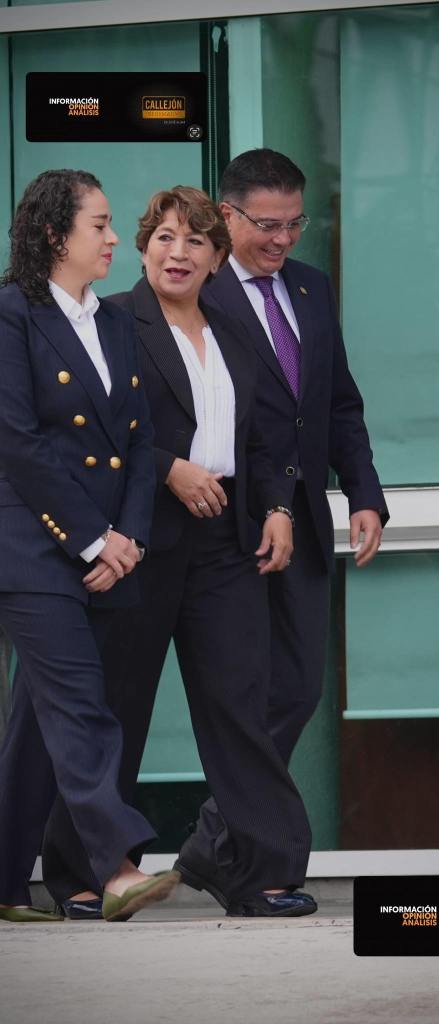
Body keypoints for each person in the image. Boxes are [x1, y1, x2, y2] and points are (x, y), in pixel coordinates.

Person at [41, 185, 316, 919]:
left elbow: (267, 437)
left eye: (196, 240)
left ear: (218, 258)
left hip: (224, 539)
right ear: (142, 248)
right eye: (164, 237)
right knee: (118, 704)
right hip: (138, 535)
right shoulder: (110, 321)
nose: (178, 252)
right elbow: (85, 426)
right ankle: (83, 870)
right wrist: (168, 468)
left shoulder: (234, 331)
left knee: (240, 704)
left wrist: (280, 507)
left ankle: (257, 871)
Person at [176, 149, 388, 905]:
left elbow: (336, 402)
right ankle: (250, 862)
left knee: (296, 690)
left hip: (303, 519)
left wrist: (363, 492)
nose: (283, 239)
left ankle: (213, 842)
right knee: (244, 693)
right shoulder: (195, 291)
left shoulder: (310, 287)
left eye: (295, 224)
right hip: (225, 521)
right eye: (267, 225)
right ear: (226, 215)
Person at [0, 169, 179, 923]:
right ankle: (117, 866)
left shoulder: (113, 321)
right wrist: (91, 539)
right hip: (32, 549)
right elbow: (18, 441)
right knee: (80, 706)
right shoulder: (11, 313)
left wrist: (128, 538)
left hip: (108, 550)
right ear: (54, 234)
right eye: (99, 225)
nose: (112, 239)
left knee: (38, 727)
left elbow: (139, 439)